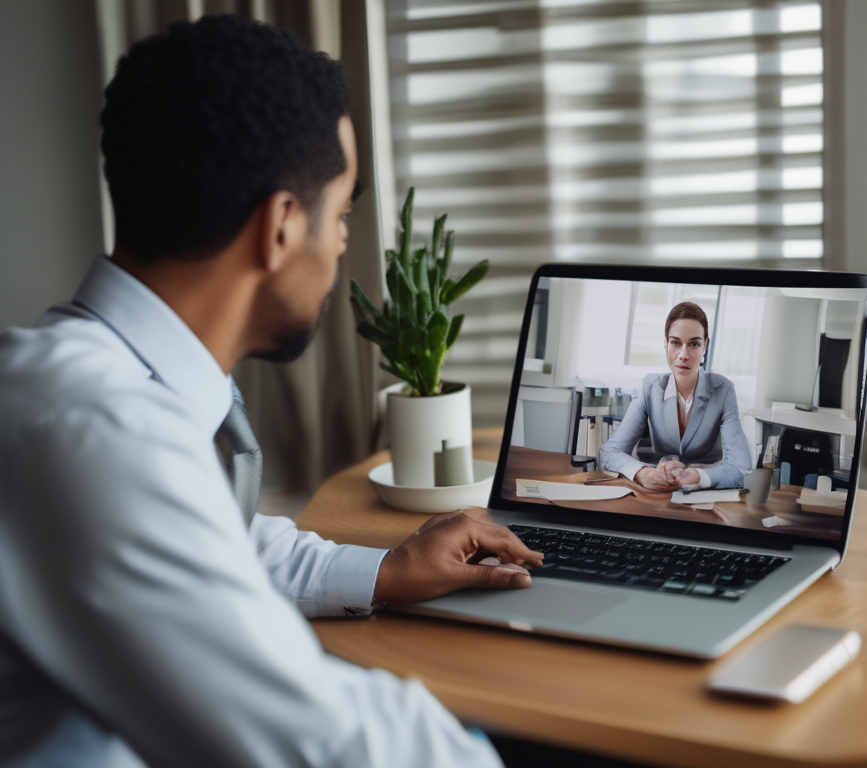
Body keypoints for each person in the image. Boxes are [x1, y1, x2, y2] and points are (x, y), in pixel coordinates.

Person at [0, 15, 543, 768]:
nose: (344, 243)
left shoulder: (62, 383)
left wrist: (384, 570)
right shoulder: (96, 433)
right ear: (282, 226)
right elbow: (323, 743)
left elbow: (207, 540)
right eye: (343, 211)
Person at [599, 301, 751, 491]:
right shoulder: (650, 387)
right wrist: (643, 473)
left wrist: (699, 477)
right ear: (665, 343)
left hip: (705, 496)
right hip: (657, 493)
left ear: (705, 347)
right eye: (675, 343)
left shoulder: (723, 389)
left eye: (694, 344)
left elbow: (740, 467)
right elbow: (609, 452)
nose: (683, 355)